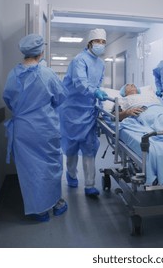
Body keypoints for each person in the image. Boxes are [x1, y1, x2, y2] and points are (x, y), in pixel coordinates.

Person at [3, 34, 68, 222]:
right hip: (45, 128)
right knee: (51, 166)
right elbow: (60, 98)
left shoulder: (13, 74)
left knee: (30, 170)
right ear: (41, 51)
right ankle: (55, 203)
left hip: (23, 130)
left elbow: (8, 100)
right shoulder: (47, 74)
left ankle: (39, 210)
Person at [59, 28, 108, 198]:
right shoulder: (79, 60)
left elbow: (99, 84)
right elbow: (80, 84)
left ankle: (90, 185)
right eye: (97, 41)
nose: (100, 45)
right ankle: (71, 175)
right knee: (72, 147)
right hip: (72, 109)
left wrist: (100, 100)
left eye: (103, 42)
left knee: (89, 147)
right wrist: (94, 92)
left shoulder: (101, 63)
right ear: (89, 43)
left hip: (89, 110)